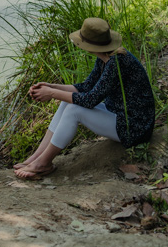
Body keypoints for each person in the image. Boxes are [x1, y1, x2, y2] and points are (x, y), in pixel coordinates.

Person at [13, 17, 155, 180]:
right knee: (68, 101)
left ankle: (43, 164)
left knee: (74, 110)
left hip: (134, 128)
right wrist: (52, 87)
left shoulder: (117, 62)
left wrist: (51, 94)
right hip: (119, 114)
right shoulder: (106, 57)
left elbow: (89, 100)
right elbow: (86, 87)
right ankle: (36, 157)